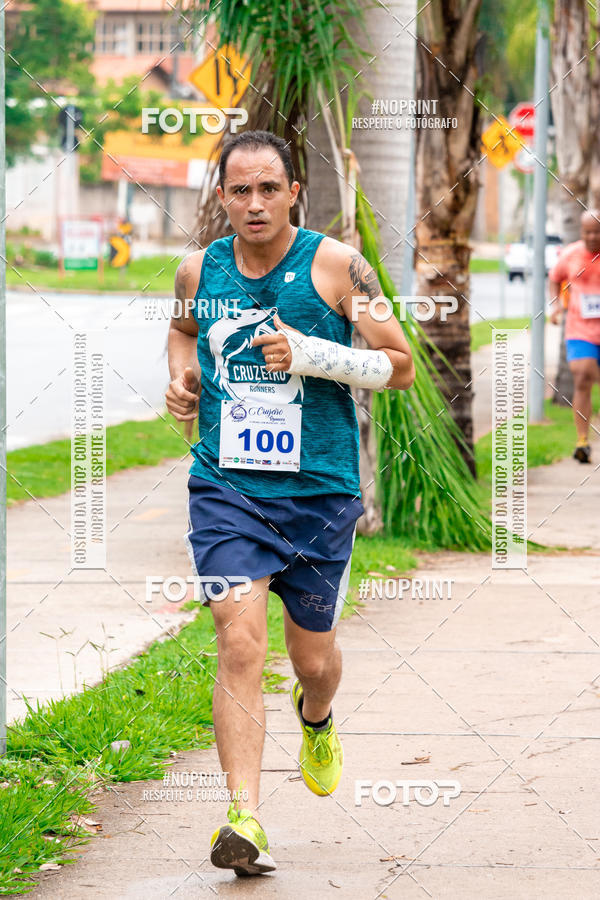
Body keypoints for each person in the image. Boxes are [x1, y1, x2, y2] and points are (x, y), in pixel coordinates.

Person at [165, 130, 415, 876]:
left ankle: (319, 717)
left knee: (313, 661)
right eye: (240, 190)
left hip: (321, 492)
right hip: (227, 487)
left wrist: (311, 352)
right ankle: (243, 817)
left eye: (269, 187)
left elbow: (399, 367)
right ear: (221, 196)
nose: (255, 203)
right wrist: (181, 379)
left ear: (294, 191)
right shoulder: (196, 271)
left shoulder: (338, 266)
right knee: (238, 641)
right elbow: (183, 334)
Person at [549, 209, 600, 463]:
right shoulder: (571, 254)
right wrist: (556, 304)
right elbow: (554, 278)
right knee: (581, 377)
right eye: (587, 231)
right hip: (580, 329)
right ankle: (582, 441)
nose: (592, 236)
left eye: (597, 231)